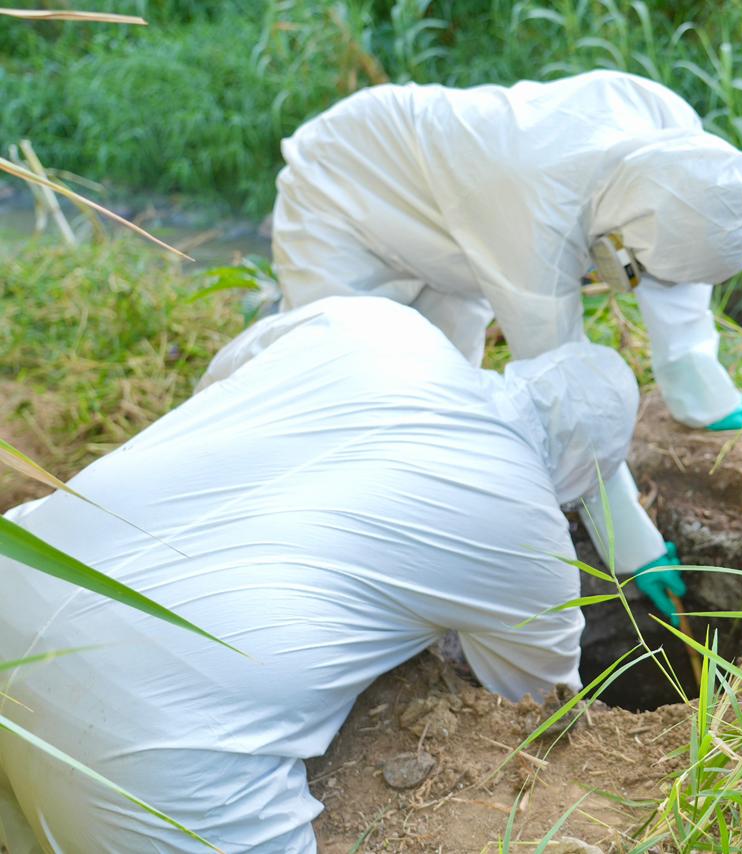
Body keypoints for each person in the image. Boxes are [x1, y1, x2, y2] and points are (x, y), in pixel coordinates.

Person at [0, 296, 637, 852]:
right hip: (159, 735)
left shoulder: (380, 326)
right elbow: (542, 708)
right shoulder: (530, 528)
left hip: (21, 568)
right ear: (586, 478)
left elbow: (225, 372)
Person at [271, 69, 742, 624]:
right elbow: (565, 393)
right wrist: (629, 542)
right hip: (346, 184)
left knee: (438, 395)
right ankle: (313, 550)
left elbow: (678, 260)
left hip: (451, 212)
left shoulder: (677, 143)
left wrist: (702, 392)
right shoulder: (536, 206)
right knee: (348, 376)